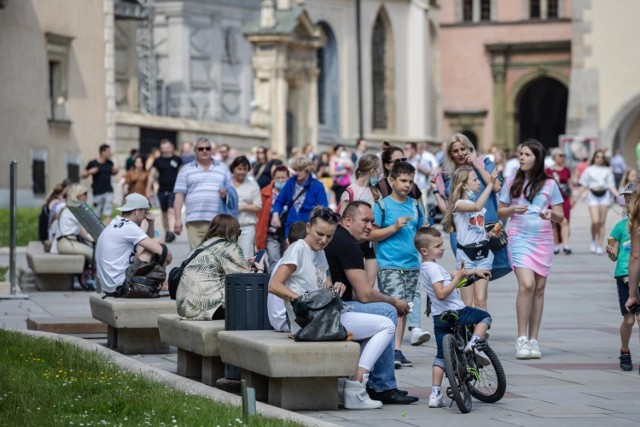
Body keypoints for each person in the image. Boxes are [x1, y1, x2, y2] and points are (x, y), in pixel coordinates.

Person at [268, 206, 395, 410]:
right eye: (320, 234)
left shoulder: (320, 252)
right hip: (311, 322)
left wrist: (336, 288)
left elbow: (326, 288)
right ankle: (355, 386)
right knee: (386, 325)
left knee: (381, 318)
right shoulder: (299, 248)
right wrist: (300, 299)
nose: (324, 240)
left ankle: (355, 385)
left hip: (328, 315)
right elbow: (274, 285)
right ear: (308, 227)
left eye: (329, 236)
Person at [325, 201, 419, 405]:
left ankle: (377, 383)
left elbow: (362, 294)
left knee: (381, 313)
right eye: (365, 221)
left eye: (373, 222)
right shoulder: (346, 243)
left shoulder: (343, 238)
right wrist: (395, 301)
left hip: (330, 309)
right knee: (386, 311)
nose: (370, 226)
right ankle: (381, 386)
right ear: (348, 220)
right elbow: (365, 295)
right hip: (332, 313)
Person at [498, 139, 564, 359]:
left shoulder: (550, 184)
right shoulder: (511, 181)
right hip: (519, 237)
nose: (522, 158)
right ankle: (521, 339)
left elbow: (560, 215)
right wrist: (513, 209)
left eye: (526, 154)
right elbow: (500, 211)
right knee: (526, 285)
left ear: (537, 158)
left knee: (539, 289)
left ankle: (534, 339)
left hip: (543, 239)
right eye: (520, 154)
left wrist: (550, 214)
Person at [414, 226, 492, 408]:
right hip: (457, 311)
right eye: (438, 246)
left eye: (442, 244)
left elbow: (449, 276)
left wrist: (474, 273)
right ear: (425, 250)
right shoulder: (433, 269)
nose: (442, 248)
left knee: (441, 357)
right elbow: (441, 293)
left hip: (439, 317)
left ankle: (435, 394)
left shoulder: (428, 267)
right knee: (485, 317)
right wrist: (457, 280)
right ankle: (473, 343)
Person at [369, 161, 426, 369]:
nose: (407, 185)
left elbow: (421, 233)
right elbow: (372, 233)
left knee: (404, 308)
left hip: (412, 264)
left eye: (410, 181)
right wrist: (393, 227)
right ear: (391, 180)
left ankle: (397, 350)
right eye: (403, 180)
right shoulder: (382, 206)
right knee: (396, 304)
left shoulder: (415, 205)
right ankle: (392, 349)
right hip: (388, 264)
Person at [433, 133, 511, 281]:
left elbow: (495, 187)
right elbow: (448, 209)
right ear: (450, 154)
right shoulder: (447, 174)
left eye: (463, 149)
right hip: (461, 235)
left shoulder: (486, 163)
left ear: (470, 148)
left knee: (482, 287)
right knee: (466, 282)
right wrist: (436, 190)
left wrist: (476, 165)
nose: (460, 153)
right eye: (455, 151)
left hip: (484, 231)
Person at [442, 166, 499, 310]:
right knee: (467, 302)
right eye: (475, 180)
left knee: (481, 299)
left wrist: (489, 234)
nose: (479, 183)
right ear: (465, 185)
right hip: (465, 257)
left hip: (483, 253)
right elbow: (477, 206)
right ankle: (467, 330)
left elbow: (475, 230)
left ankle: (480, 330)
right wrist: (491, 184)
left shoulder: (477, 206)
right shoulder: (459, 204)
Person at [96, 193, 172, 295]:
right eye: (145, 211)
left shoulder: (116, 223)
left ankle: (160, 283)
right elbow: (162, 252)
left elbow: (146, 245)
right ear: (136, 211)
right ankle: (161, 283)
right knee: (158, 243)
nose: (146, 216)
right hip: (122, 286)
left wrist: (151, 224)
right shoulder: (130, 228)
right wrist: (167, 258)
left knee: (152, 244)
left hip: (110, 286)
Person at [176, 214, 249, 320]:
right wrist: (259, 268)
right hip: (209, 309)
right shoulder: (229, 247)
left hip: (186, 308)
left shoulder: (201, 246)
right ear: (232, 231)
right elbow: (244, 280)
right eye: (239, 232)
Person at [173, 137, 233, 250]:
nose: (204, 151)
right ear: (195, 151)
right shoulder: (185, 170)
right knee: (197, 258)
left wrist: (226, 193)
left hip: (218, 221)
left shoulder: (223, 168)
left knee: (216, 257)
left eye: (207, 148)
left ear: (212, 151)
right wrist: (177, 220)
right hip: (195, 221)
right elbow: (179, 195)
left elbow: (232, 192)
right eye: (201, 149)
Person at [605, 182, 640, 371]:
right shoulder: (619, 226)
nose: (627, 198)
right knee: (629, 319)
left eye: (631, 195)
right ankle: (625, 350)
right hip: (624, 275)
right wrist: (611, 251)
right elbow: (614, 255)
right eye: (625, 195)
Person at [270, 156, 328, 239]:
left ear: (308, 170)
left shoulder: (317, 186)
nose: (297, 172)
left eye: (300, 170)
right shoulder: (291, 183)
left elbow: (323, 209)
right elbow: (279, 201)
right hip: (290, 226)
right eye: (296, 170)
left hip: (308, 229)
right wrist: (275, 215)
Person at [573, 149, 619, 255]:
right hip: (593, 195)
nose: (599, 159)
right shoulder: (589, 170)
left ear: (604, 159)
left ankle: (599, 245)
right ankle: (593, 239)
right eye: (597, 157)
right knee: (595, 221)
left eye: (601, 157)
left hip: (604, 195)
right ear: (594, 158)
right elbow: (584, 185)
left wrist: (618, 196)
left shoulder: (607, 170)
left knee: (602, 222)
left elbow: (611, 186)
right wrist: (575, 198)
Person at [267, 221, 307, 332]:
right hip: (286, 321)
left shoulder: (283, 260)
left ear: (287, 242)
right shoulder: (293, 261)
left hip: (278, 320)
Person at [147, 139, 182, 243]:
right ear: (161, 149)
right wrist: (148, 189)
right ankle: (167, 231)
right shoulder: (158, 161)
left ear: (171, 147)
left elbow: (183, 172)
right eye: (163, 148)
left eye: (167, 147)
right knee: (164, 212)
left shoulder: (177, 159)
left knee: (171, 210)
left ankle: (171, 232)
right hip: (162, 190)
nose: (166, 150)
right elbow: (151, 175)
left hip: (174, 189)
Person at [255, 165, 290, 263]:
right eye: (278, 178)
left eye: (283, 178)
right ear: (273, 178)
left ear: (288, 178)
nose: (280, 180)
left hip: (287, 233)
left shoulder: (292, 193)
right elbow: (260, 215)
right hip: (271, 233)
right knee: (273, 260)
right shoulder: (265, 192)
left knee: (288, 260)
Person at [230, 155, 261, 259]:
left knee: (246, 258)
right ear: (233, 169)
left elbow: (258, 206)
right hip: (227, 227)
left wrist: (242, 207)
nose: (242, 172)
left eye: (245, 169)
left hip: (246, 227)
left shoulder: (253, 185)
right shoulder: (226, 183)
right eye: (239, 169)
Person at [56, 184, 95, 264]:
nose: (87, 196)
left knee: (94, 249)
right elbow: (91, 224)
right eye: (85, 193)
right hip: (67, 242)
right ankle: (98, 276)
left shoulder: (72, 208)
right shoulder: (74, 209)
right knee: (93, 253)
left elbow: (82, 232)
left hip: (69, 242)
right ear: (78, 195)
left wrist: (93, 240)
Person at [82, 144, 119, 224]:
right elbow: (83, 175)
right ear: (103, 152)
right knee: (96, 214)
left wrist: (116, 169)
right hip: (97, 193)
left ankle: (106, 230)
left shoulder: (110, 163)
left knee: (108, 213)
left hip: (108, 191)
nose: (110, 153)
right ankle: (96, 233)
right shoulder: (92, 163)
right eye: (108, 151)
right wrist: (90, 171)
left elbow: (114, 172)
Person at [546, 148, 574, 255]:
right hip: (551, 199)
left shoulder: (566, 170)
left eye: (563, 155)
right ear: (554, 157)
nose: (562, 157)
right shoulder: (548, 171)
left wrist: (572, 198)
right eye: (560, 155)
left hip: (564, 199)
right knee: (553, 223)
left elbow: (570, 184)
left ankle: (566, 245)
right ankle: (556, 245)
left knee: (565, 222)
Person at [39, 182, 67, 252]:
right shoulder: (58, 203)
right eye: (65, 195)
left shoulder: (50, 200)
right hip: (52, 234)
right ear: (61, 194)